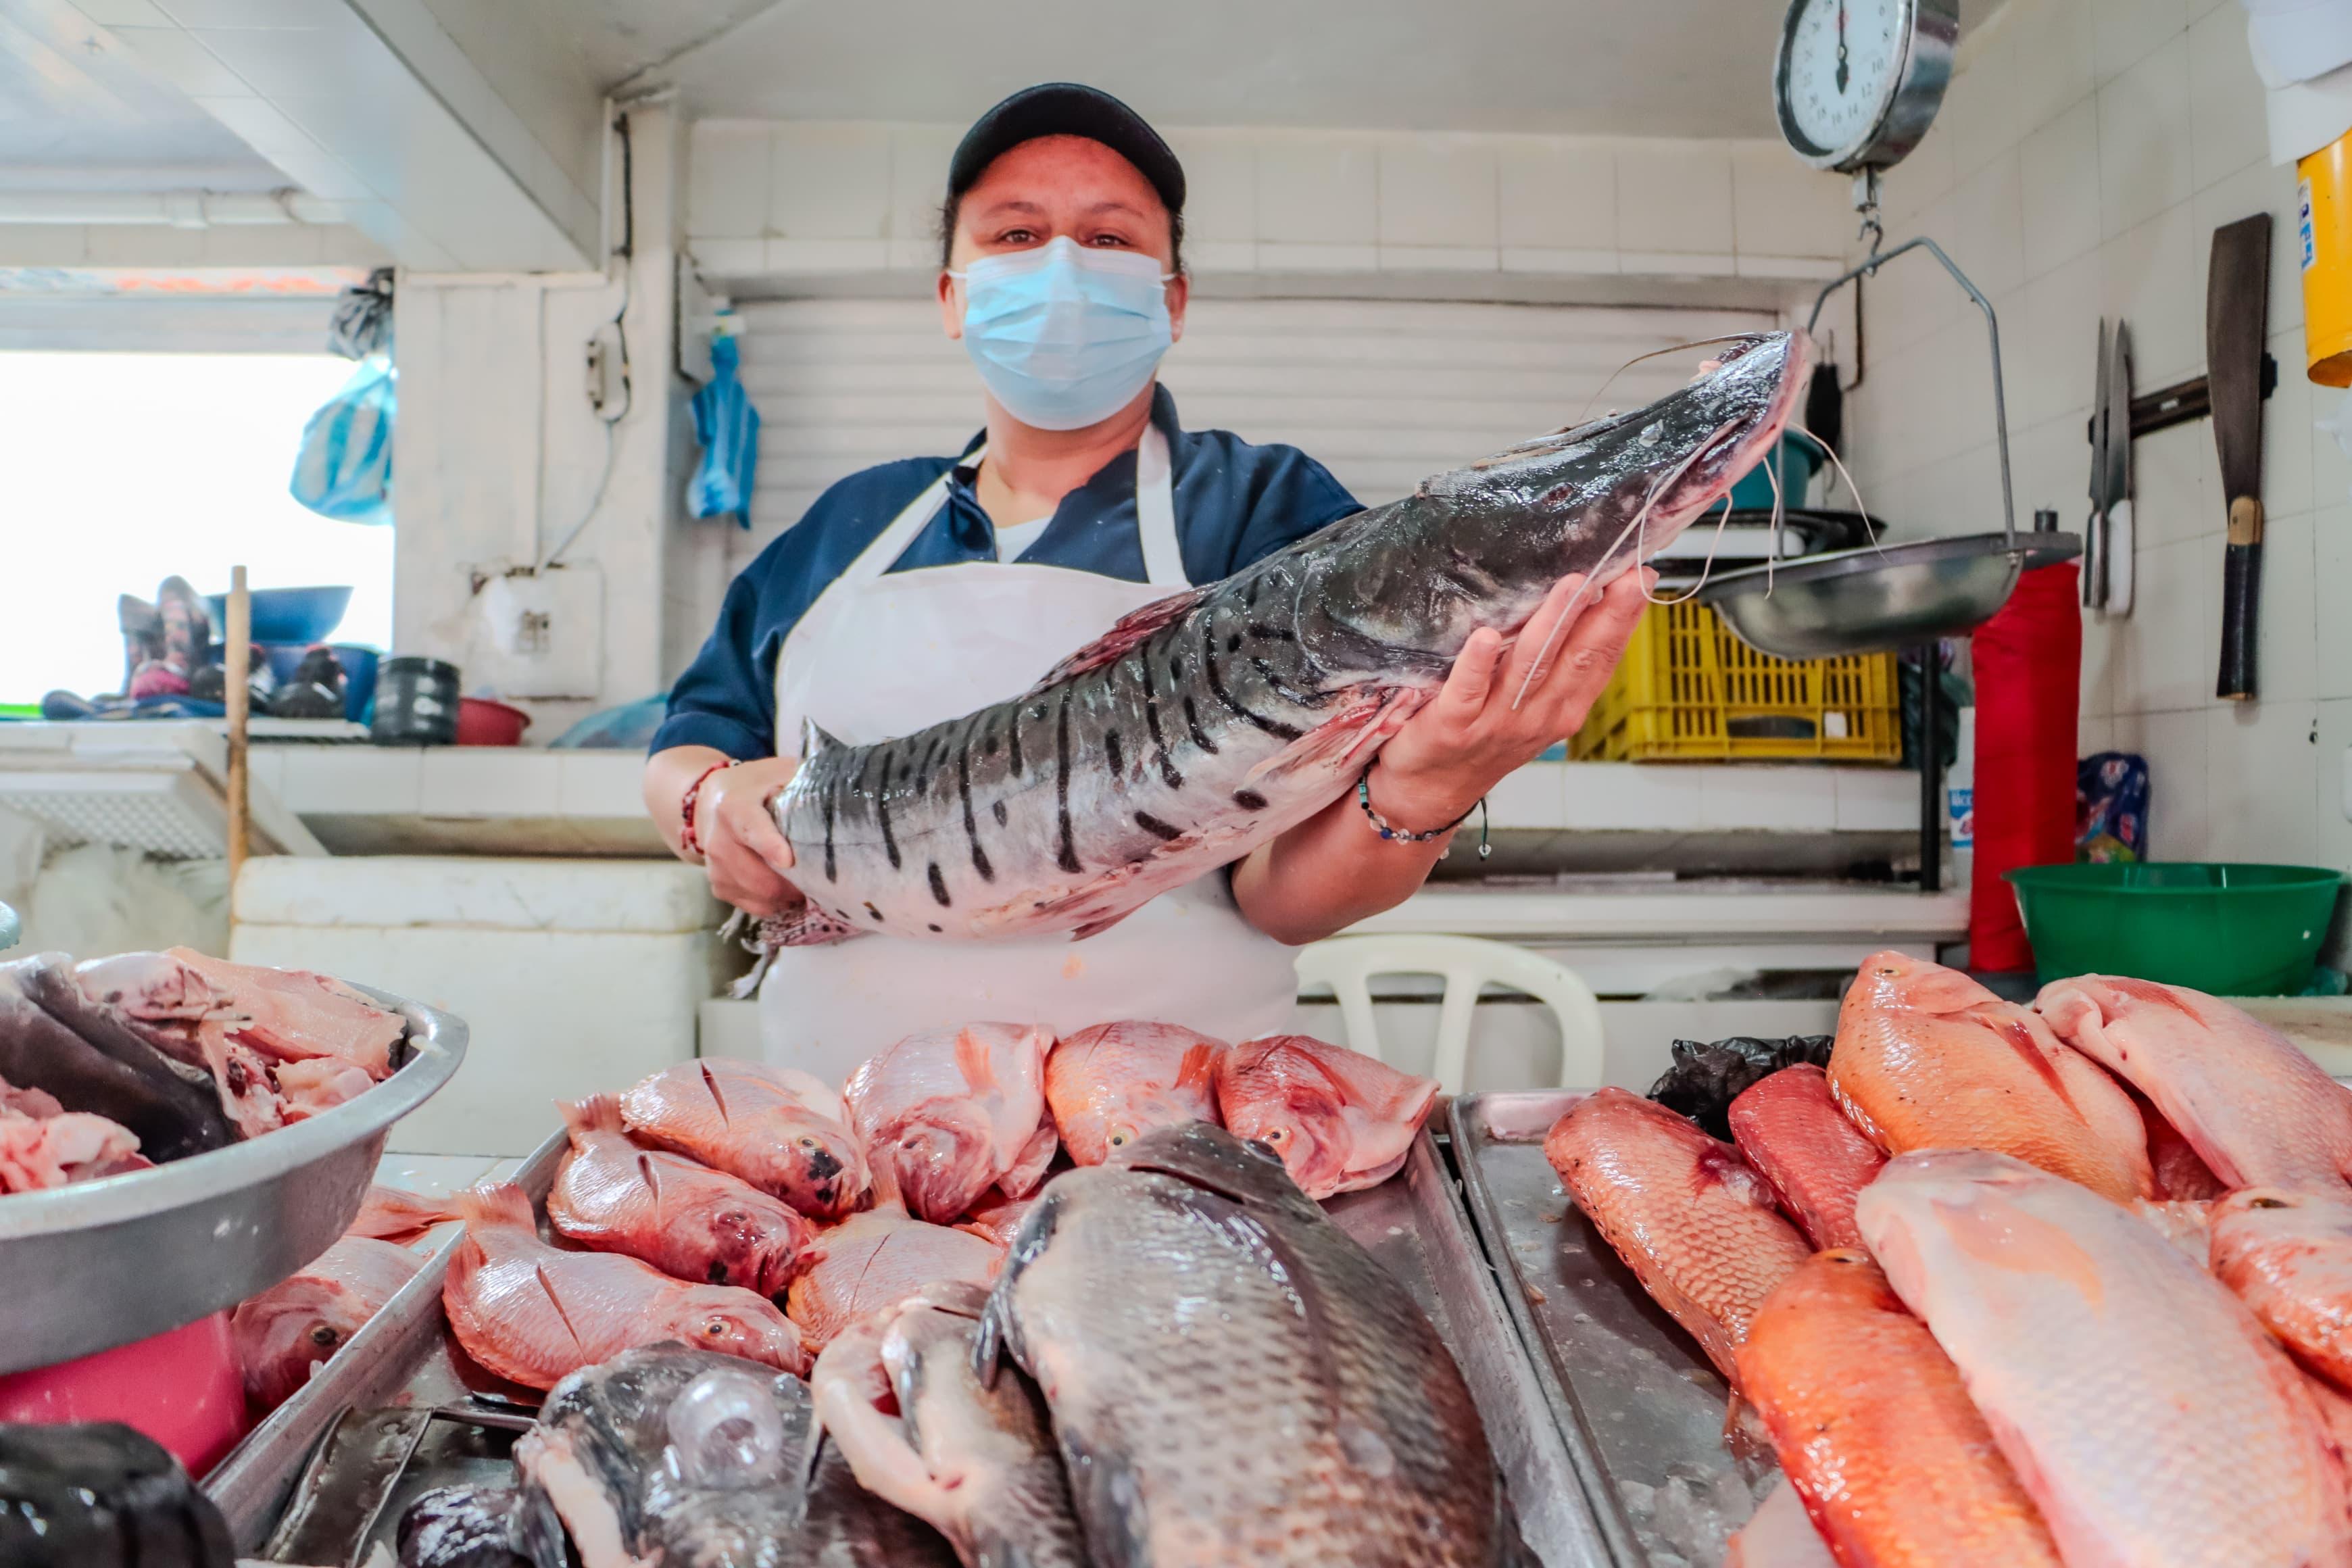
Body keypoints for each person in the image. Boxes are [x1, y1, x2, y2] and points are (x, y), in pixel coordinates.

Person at [647, 82, 1650, 1079]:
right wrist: (707, 799)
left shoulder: (1269, 512)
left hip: (1171, 1135)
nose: (1063, 268)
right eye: (1014, 235)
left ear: (1172, 300)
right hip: (839, 1141)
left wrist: (1431, 786)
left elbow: (1280, 897)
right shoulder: (848, 524)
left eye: (1111, 239)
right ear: (952, 298)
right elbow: (691, 741)